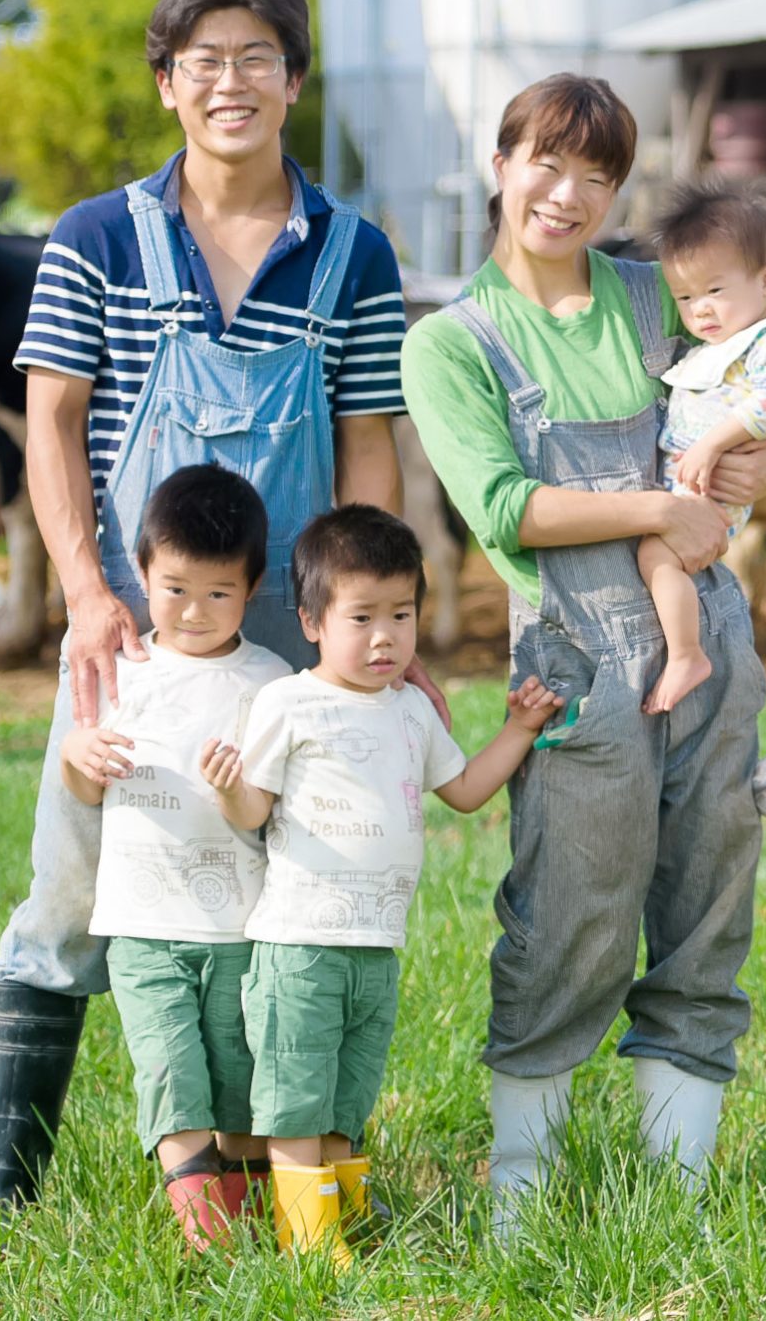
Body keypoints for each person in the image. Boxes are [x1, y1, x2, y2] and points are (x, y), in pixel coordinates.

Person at [0, 0, 441, 1258]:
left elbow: (368, 442)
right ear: (168, 84)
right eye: (204, 61)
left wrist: (370, 627)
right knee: (73, 895)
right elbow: (52, 424)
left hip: (292, 642)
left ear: (295, 79)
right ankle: (3, 1204)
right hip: (133, 632)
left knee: (271, 900)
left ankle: (259, 1178)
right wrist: (84, 594)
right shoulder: (96, 238)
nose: (231, 82)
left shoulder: (354, 252)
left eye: (257, 58)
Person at [400, 73, 766, 1231]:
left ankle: (677, 1197)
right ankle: (521, 1194)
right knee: (575, 907)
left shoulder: (653, 294)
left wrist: (765, 461)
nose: (567, 195)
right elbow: (503, 507)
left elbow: (763, 395)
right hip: (574, 658)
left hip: (709, 631)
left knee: (711, 897)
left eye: (597, 175)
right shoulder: (451, 343)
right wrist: (658, 510)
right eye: (547, 163)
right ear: (501, 164)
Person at [212, 505, 555, 1265]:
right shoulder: (289, 703)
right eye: (361, 616)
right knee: (297, 1095)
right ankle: (308, 1242)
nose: (384, 637)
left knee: (347, 1095)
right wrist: (229, 787)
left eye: (401, 614)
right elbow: (253, 810)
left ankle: (349, 1213)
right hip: (301, 945)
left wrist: (519, 731)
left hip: (376, 947)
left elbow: (463, 790)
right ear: (312, 622)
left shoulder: (412, 711)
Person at [59, 464, 293, 1252]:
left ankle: (251, 1216)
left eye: (219, 592)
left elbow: (269, 810)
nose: (194, 611)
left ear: (253, 586)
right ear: (142, 571)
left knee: (238, 1075)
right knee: (168, 1066)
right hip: (143, 921)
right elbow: (85, 789)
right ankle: (207, 1237)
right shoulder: (123, 670)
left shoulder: (271, 683)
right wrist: (78, 757)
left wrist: (235, 789)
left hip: (240, 925)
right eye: (175, 589)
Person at [639, 181, 766, 715]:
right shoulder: (718, 345)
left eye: (714, 291)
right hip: (693, 478)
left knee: (656, 554)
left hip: (714, 486)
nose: (700, 311)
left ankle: (686, 655)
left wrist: (710, 445)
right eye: (685, 298)